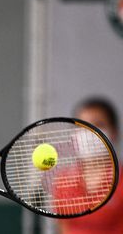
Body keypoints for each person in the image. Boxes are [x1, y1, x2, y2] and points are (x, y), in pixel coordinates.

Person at [57, 96, 123, 234]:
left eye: (97, 124)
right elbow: (64, 228)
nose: (89, 132)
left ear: (114, 133)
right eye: (82, 126)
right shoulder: (63, 180)